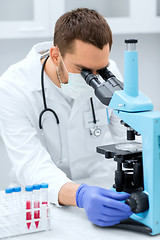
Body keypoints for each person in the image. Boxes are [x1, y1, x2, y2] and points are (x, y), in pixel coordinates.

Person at [0, 8, 132, 227]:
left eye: (101, 70)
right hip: (41, 204)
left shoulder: (111, 74)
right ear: (55, 55)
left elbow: (130, 140)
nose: (95, 79)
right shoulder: (13, 88)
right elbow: (30, 164)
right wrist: (80, 195)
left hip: (103, 193)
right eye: (84, 71)